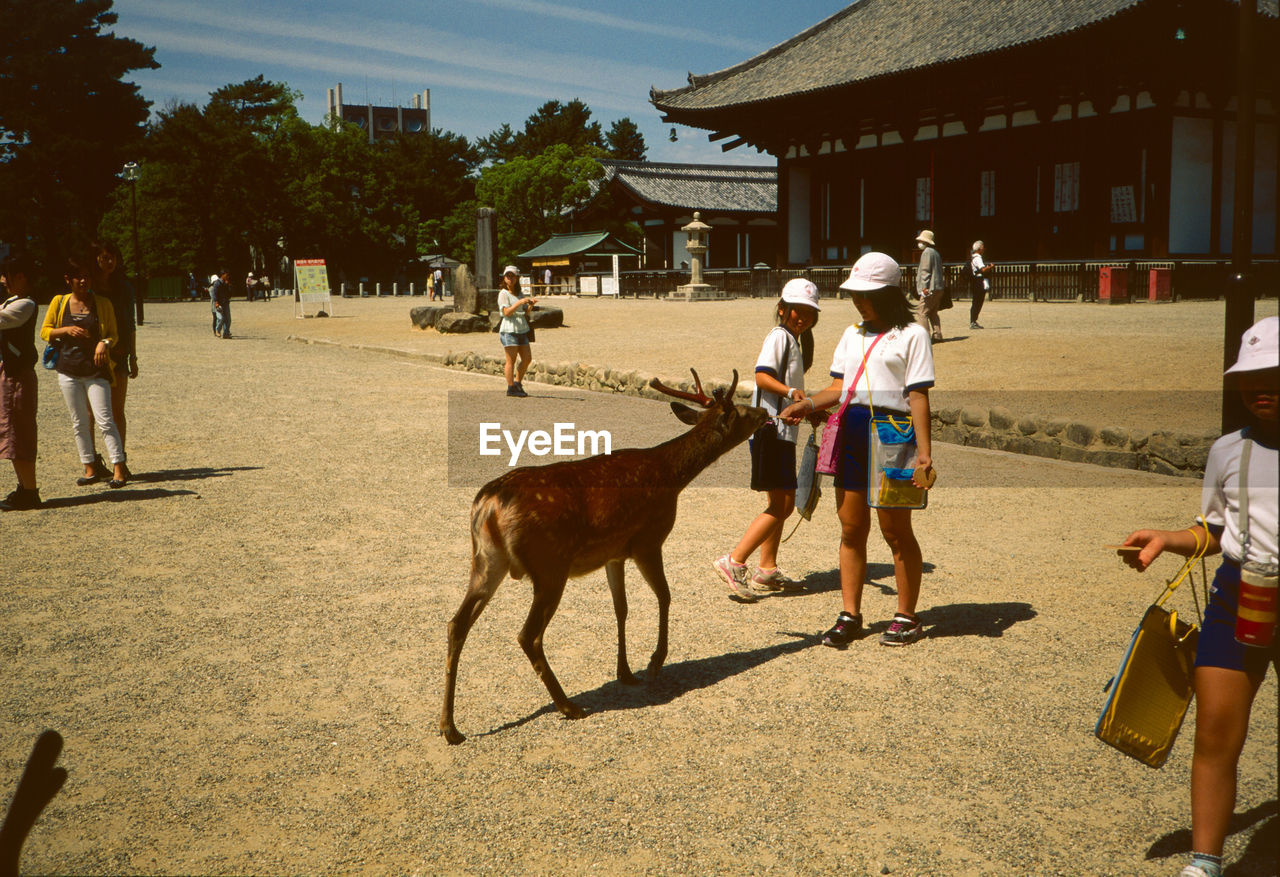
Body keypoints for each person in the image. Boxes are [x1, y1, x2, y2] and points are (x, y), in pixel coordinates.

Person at [1119, 316, 1278, 877]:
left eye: (1276, 375)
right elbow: (1213, 530)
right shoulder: (1227, 451)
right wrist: (1168, 538)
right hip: (1239, 590)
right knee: (1215, 731)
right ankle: (1205, 862)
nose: (1262, 389)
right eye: (1251, 377)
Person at [780, 252, 935, 647]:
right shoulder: (852, 334)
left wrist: (925, 453)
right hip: (851, 428)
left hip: (893, 433)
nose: (859, 301)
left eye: (867, 294)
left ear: (889, 293)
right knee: (851, 527)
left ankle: (907, 614)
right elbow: (838, 388)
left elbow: (917, 395)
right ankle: (850, 612)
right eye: (855, 294)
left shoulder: (913, 334)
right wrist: (806, 404)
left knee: (895, 530)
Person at [713, 278, 821, 601]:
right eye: (796, 311)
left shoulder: (793, 340)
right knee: (782, 503)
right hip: (772, 430)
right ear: (782, 309)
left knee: (780, 501)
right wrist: (789, 392)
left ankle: (767, 568)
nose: (801, 317)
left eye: (808, 312)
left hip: (781, 431)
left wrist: (807, 407)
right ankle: (733, 561)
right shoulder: (780, 336)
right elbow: (761, 375)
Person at [41, 253, 128, 488]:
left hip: (96, 370)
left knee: (105, 419)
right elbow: (45, 331)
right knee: (78, 421)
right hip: (68, 370)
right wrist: (66, 329)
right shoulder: (59, 302)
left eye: (86, 277)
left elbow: (114, 334)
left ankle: (118, 468)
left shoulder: (102, 303)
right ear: (68, 279)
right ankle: (89, 467)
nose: (83, 281)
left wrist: (104, 343)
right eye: (78, 277)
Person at [0, 253, 42, 510]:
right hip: (11, 375)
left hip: (19, 377)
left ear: (21, 277)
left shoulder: (25, 304)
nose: (2, 280)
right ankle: (24, 486)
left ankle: (30, 491)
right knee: (11, 431)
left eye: (6, 275)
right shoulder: (12, 302)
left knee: (19, 432)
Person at [90, 239, 137, 467]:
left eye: (112, 257)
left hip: (119, 353)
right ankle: (92, 460)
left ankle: (120, 458)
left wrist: (133, 356)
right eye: (104, 257)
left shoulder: (124, 287)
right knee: (90, 413)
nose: (108, 261)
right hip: (92, 354)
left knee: (117, 410)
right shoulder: (88, 286)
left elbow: (130, 325)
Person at [497, 265, 537, 397]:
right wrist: (519, 303)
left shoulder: (519, 293)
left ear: (517, 278)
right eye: (508, 276)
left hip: (521, 328)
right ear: (504, 278)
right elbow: (506, 312)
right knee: (511, 360)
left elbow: (524, 312)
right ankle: (510, 387)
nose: (510, 279)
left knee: (527, 358)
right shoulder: (503, 294)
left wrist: (530, 305)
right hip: (509, 329)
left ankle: (518, 382)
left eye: (513, 276)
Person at [915, 229, 945, 342]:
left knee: (922, 312)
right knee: (933, 312)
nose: (919, 243)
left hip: (930, 287)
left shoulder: (927, 252)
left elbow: (925, 271)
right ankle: (937, 334)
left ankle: (925, 337)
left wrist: (924, 287)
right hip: (938, 287)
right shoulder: (935, 252)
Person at [969, 240, 993, 330]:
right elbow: (982, 270)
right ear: (979, 249)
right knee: (978, 301)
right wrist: (990, 267)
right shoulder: (978, 258)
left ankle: (973, 320)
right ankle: (973, 321)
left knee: (976, 301)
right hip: (978, 281)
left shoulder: (973, 257)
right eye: (982, 247)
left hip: (975, 280)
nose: (984, 249)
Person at [210, 269, 231, 338]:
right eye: (226, 275)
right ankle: (217, 330)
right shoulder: (217, 283)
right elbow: (215, 293)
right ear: (223, 275)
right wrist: (216, 302)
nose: (227, 276)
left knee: (228, 319)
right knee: (221, 318)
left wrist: (228, 286)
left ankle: (226, 333)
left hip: (226, 302)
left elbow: (229, 293)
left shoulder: (226, 283)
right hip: (219, 303)